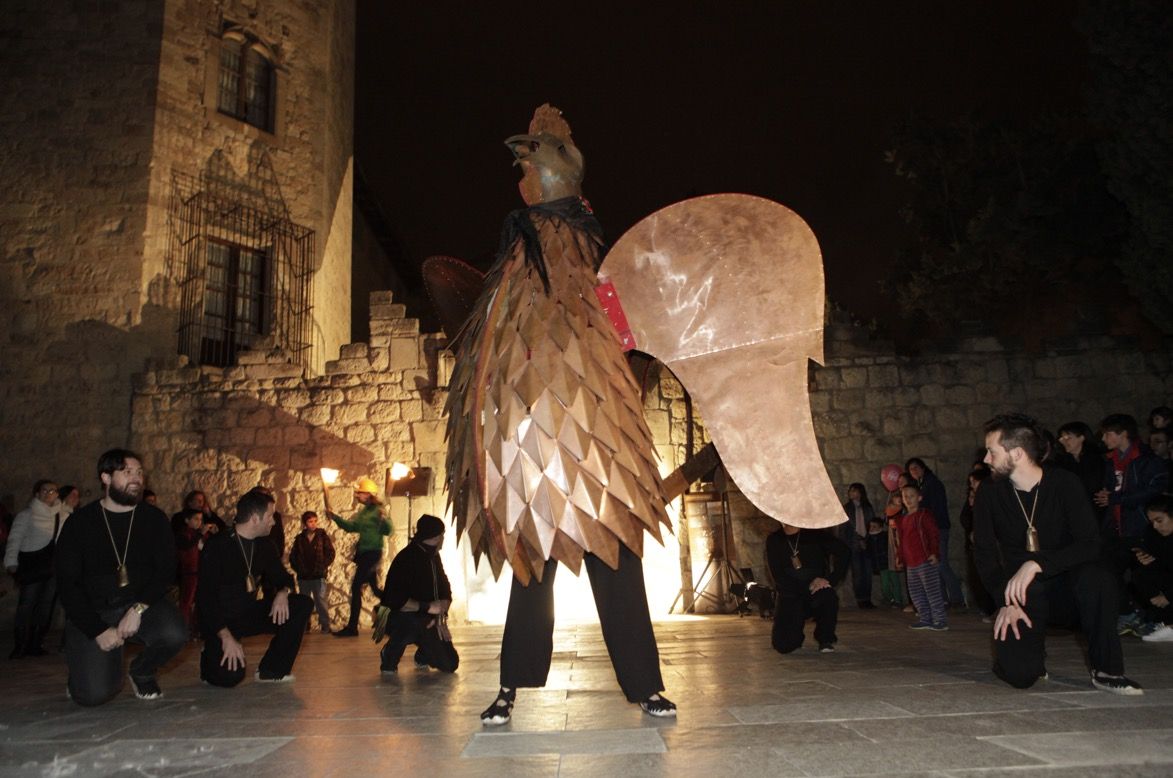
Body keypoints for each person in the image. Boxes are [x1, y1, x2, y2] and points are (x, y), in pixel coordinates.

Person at [974, 413, 1142, 694]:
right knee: (1020, 676)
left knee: (1098, 578)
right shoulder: (989, 492)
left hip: (1068, 589)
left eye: (992, 452)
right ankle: (1027, 658)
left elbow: (1090, 543)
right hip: (1021, 595)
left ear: (1017, 453)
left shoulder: (1065, 483)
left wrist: (1036, 564)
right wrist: (1003, 600)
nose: (986, 460)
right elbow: (984, 553)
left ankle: (1106, 670)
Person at [55, 449, 187, 704]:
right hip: (94, 611)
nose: (136, 478)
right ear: (105, 477)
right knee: (94, 695)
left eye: (139, 472)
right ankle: (84, 671)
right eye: (127, 472)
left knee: (174, 632)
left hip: (139, 605)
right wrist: (98, 629)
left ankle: (142, 671)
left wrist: (137, 609)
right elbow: (68, 585)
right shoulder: (80, 524)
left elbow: (166, 571)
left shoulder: (154, 519)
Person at [197, 490, 312, 686]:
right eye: (270, 517)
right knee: (229, 678)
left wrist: (283, 593)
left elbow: (283, 577)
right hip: (220, 621)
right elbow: (205, 599)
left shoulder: (265, 545)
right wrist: (225, 636)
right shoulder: (218, 546)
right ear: (255, 518)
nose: (273, 522)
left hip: (247, 613)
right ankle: (210, 656)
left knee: (302, 604)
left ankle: (271, 670)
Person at [1094, 413, 1169, 616]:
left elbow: (1153, 490)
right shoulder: (1111, 461)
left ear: (1123, 434)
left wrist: (1116, 498)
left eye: (1108, 434)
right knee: (1108, 571)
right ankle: (1126, 613)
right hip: (1116, 528)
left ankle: (1154, 617)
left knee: (1144, 573)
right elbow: (1111, 491)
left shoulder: (1146, 460)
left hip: (1141, 528)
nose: (1104, 439)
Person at [376, 514, 455, 673]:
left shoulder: (433, 556)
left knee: (450, 663)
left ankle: (423, 655)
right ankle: (389, 655)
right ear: (438, 537)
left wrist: (440, 613)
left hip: (425, 617)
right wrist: (428, 608)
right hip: (394, 616)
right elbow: (395, 599)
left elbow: (443, 586)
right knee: (413, 624)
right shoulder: (407, 558)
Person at [766, 522, 849, 653]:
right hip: (790, 592)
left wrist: (829, 580)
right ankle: (796, 634)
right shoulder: (774, 539)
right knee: (783, 646)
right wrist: (805, 586)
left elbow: (844, 552)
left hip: (816, 590)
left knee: (828, 596)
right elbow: (778, 575)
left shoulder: (815, 534)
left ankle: (825, 638)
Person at [5, 480, 65, 658]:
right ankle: (21, 645)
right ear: (37, 493)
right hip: (33, 566)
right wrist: (11, 561)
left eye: (53, 490)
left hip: (52, 567)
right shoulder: (26, 515)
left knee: (46, 606)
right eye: (45, 490)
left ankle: (35, 643)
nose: (49, 493)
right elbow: (15, 538)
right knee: (27, 604)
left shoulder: (62, 515)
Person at [329, 477, 391, 637]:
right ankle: (397, 609)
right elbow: (352, 527)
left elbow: (389, 531)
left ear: (369, 494)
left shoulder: (379, 510)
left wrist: (384, 521)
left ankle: (352, 627)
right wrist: (335, 518)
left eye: (360, 493)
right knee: (376, 590)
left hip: (372, 553)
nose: (357, 496)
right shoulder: (364, 512)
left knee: (356, 587)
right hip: (364, 554)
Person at [906, 457, 964, 606]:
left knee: (941, 563)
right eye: (911, 469)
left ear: (923, 468)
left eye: (916, 468)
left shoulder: (932, 484)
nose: (913, 471)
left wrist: (929, 525)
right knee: (934, 565)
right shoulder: (922, 484)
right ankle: (942, 599)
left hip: (937, 528)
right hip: (931, 528)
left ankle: (957, 599)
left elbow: (934, 508)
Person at [897, 482, 948, 631]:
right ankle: (925, 618)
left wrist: (934, 552)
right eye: (905, 496)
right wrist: (901, 558)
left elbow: (933, 535)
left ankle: (940, 620)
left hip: (925, 559)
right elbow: (902, 540)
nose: (908, 499)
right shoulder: (904, 519)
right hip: (911, 563)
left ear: (919, 498)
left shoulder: (924, 515)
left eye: (911, 496)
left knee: (932, 590)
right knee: (915, 592)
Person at [1125, 495, 1173, 642]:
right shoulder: (1154, 534)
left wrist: (1168, 596)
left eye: (1159, 520)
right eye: (1152, 522)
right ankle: (1166, 622)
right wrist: (1144, 559)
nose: (1155, 526)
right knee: (1140, 575)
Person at [959, 465, 996, 619]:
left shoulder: (991, 495)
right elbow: (966, 515)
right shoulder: (973, 496)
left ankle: (994, 608)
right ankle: (987, 607)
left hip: (991, 544)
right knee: (979, 577)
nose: (971, 485)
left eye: (974, 482)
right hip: (976, 542)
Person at [289, 511, 335, 633]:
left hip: (318, 575)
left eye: (315, 521)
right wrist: (299, 568)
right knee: (304, 603)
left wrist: (322, 565)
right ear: (305, 523)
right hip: (303, 576)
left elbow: (331, 553)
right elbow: (293, 556)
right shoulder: (299, 539)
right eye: (310, 521)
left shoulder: (322, 536)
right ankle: (305, 626)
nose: (313, 524)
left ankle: (325, 626)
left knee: (321, 601)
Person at [841, 483, 877, 609]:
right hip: (853, 543)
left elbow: (872, 524)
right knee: (857, 572)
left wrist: (867, 539)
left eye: (854, 491)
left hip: (866, 542)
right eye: (850, 491)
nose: (852, 494)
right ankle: (861, 599)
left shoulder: (867, 507)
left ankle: (867, 598)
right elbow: (844, 529)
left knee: (867, 571)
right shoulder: (847, 508)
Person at [1055, 421, 1107, 504]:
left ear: (1082, 438)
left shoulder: (1095, 459)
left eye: (1067, 438)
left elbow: (1093, 487)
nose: (1063, 441)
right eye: (1061, 438)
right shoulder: (1063, 461)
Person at [174, 508, 204, 637]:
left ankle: (196, 629)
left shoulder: (198, 534)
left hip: (200, 572)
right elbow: (186, 546)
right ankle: (183, 630)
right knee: (186, 602)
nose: (199, 522)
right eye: (196, 519)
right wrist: (200, 535)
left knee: (200, 602)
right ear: (187, 520)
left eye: (201, 519)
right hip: (189, 572)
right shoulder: (183, 534)